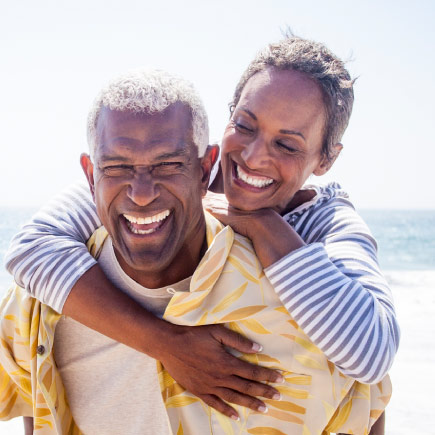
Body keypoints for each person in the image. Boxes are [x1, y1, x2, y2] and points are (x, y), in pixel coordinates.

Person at [3, 36, 398, 433]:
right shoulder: (170, 179)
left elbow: (370, 356)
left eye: (286, 144)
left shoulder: (324, 225)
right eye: (245, 125)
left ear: (326, 158)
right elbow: (32, 249)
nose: (254, 155)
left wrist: (262, 226)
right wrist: (165, 344)